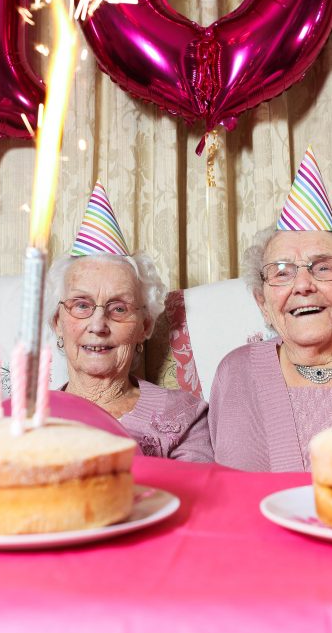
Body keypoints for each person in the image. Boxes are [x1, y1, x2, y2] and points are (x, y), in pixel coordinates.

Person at [208, 149, 332, 471]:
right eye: (282, 272)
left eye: (323, 268)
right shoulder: (235, 372)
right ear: (263, 305)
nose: (303, 285)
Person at [45, 182, 211, 463]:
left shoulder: (184, 415)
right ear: (57, 322)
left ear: (144, 326)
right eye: (82, 305)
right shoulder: (26, 418)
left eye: (118, 308)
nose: (98, 325)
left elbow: (197, 497)